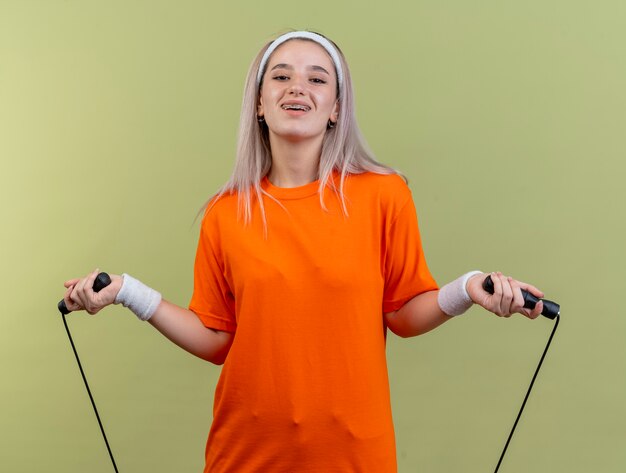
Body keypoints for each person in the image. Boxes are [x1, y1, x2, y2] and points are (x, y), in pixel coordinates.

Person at [63, 31, 545, 473]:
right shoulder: (225, 213)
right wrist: (129, 292)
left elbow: (403, 312)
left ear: (336, 107)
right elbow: (215, 338)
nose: (298, 87)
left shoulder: (383, 195)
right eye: (281, 76)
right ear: (259, 102)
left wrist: (468, 288)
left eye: (317, 78)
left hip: (356, 457)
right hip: (244, 457)